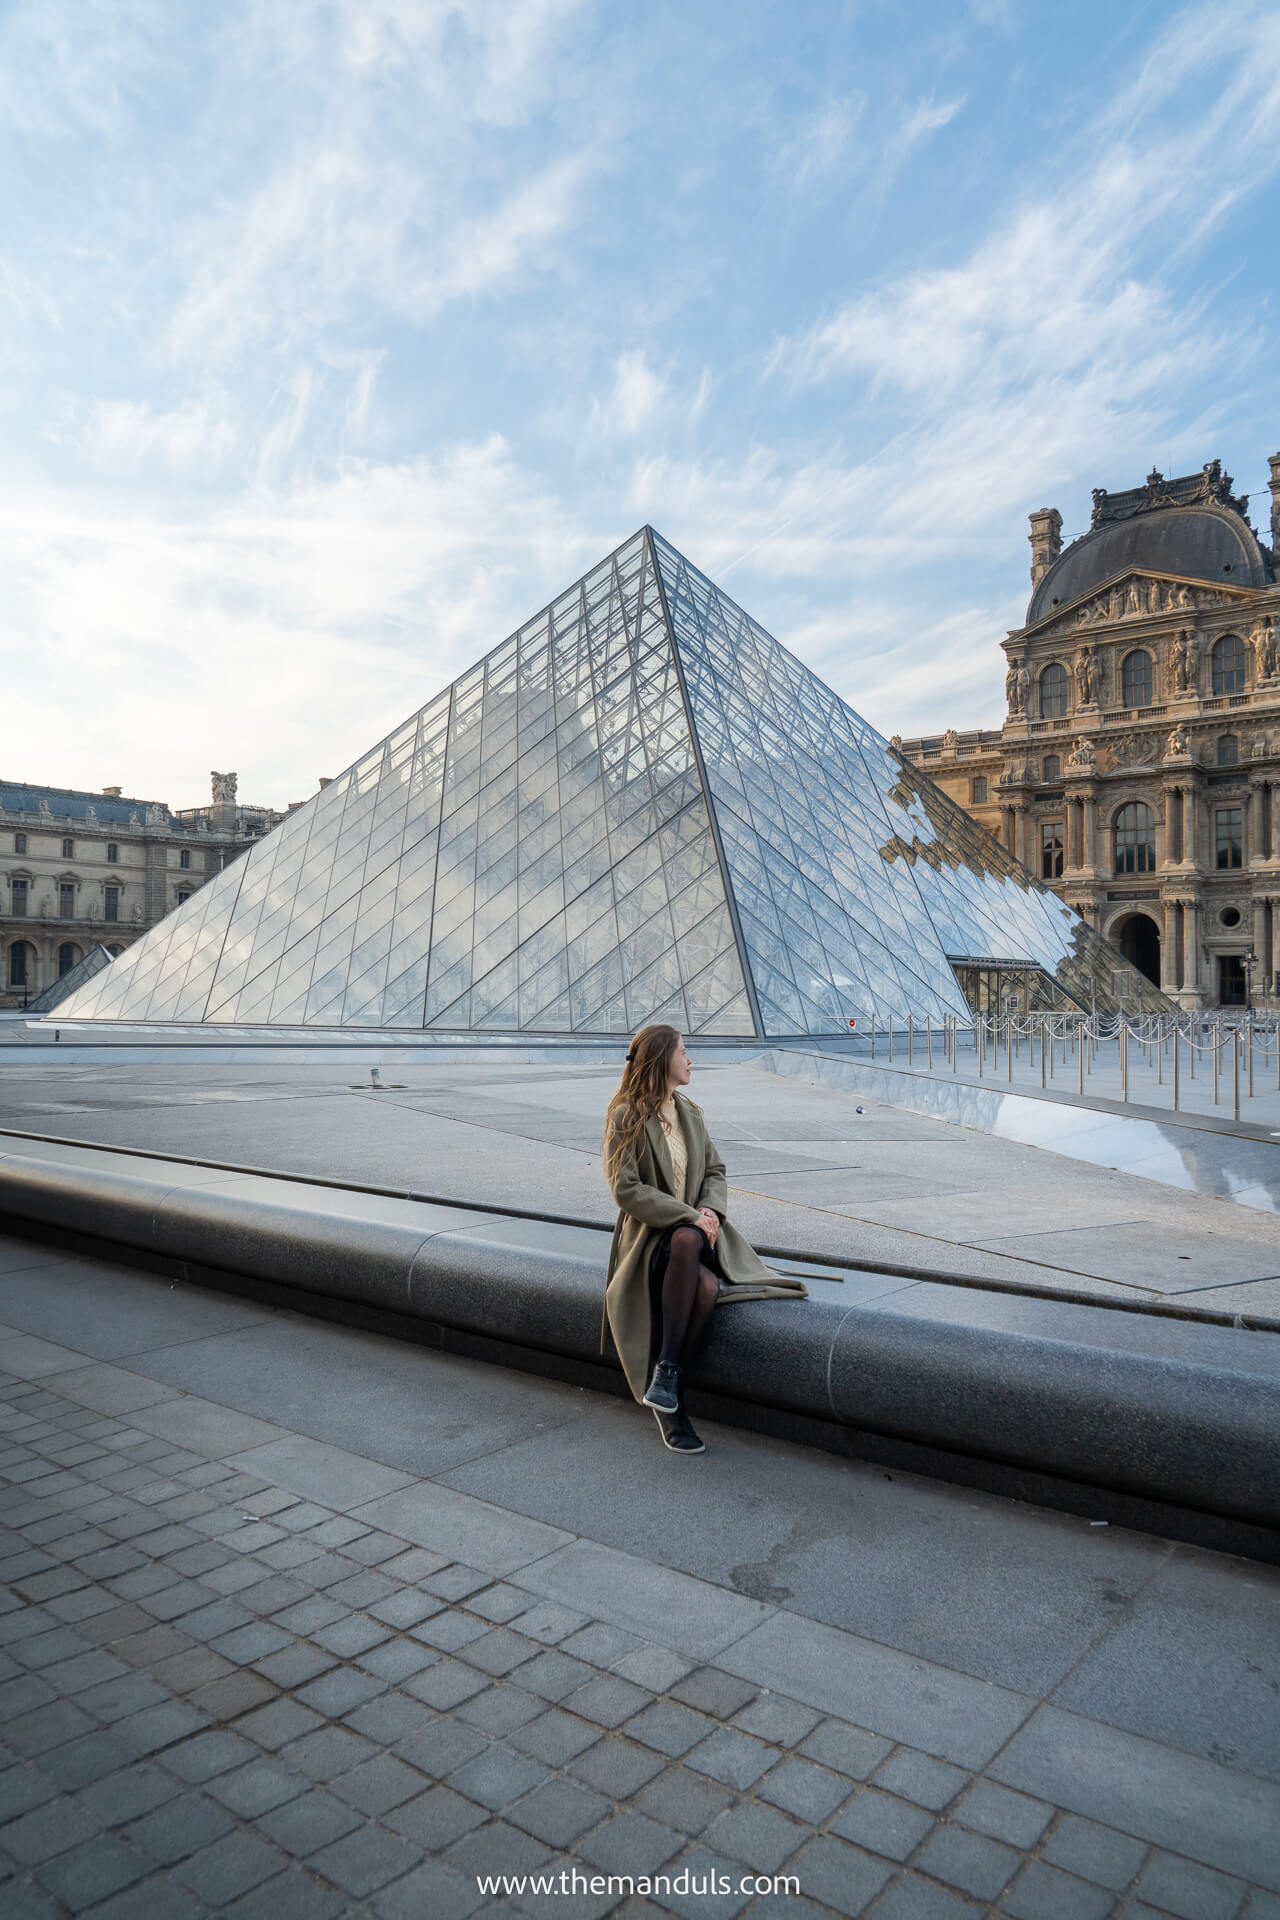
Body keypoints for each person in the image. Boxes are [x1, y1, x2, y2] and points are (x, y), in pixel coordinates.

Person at [601, 1024, 808, 1454]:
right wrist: (690, 1215)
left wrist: (709, 1212)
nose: (689, 1059)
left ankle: (666, 1378)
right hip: (650, 1242)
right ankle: (671, 1393)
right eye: (683, 1051)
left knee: (698, 1260)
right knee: (696, 1263)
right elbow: (625, 1187)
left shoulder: (690, 1113)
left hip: (699, 1234)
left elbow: (715, 1171)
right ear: (662, 1059)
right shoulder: (625, 1113)